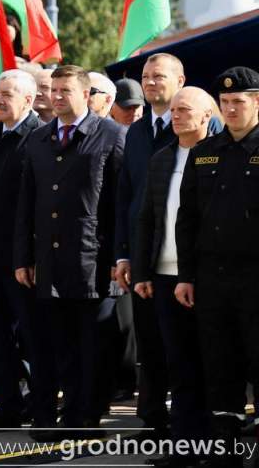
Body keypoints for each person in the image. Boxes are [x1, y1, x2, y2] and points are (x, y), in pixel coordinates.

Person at [14, 65, 126, 440]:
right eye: (54, 90)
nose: (57, 96)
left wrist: (119, 257)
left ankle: (85, 419)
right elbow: (26, 204)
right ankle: (59, 415)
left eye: (65, 90)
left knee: (92, 347)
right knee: (57, 344)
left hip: (94, 260)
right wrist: (23, 258)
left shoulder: (111, 135)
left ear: (85, 95)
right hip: (50, 260)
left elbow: (119, 204)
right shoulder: (40, 139)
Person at [174, 66, 259, 458]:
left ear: (256, 102)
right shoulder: (205, 152)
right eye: (224, 103)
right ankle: (224, 446)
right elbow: (187, 219)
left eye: (239, 102)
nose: (231, 110)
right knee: (219, 365)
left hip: (255, 280)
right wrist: (186, 277)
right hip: (212, 279)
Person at [0, 70, 53, 430]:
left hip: (24, 260)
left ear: (29, 100)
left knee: (33, 338)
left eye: (8, 95)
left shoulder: (41, 137)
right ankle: (7, 406)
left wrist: (29, 257)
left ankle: (42, 404)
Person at [133, 87, 213, 466]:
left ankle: (216, 442)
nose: (176, 115)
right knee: (177, 362)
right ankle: (184, 445)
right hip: (164, 276)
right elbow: (147, 217)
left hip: (205, 277)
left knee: (212, 363)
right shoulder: (162, 158)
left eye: (186, 109)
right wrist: (144, 270)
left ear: (206, 115)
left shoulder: (217, 156)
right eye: (175, 109)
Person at [113, 53, 187, 438]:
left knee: (183, 344)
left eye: (159, 76)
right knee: (150, 341)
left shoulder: (191, 126)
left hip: (182, 255)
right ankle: (153, 416)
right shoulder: (137, 132)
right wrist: (123, 253)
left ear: (180, 79)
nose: (151, 83)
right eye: (146, 77)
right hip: (144, 254)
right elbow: (125, 195)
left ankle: (190, 419)